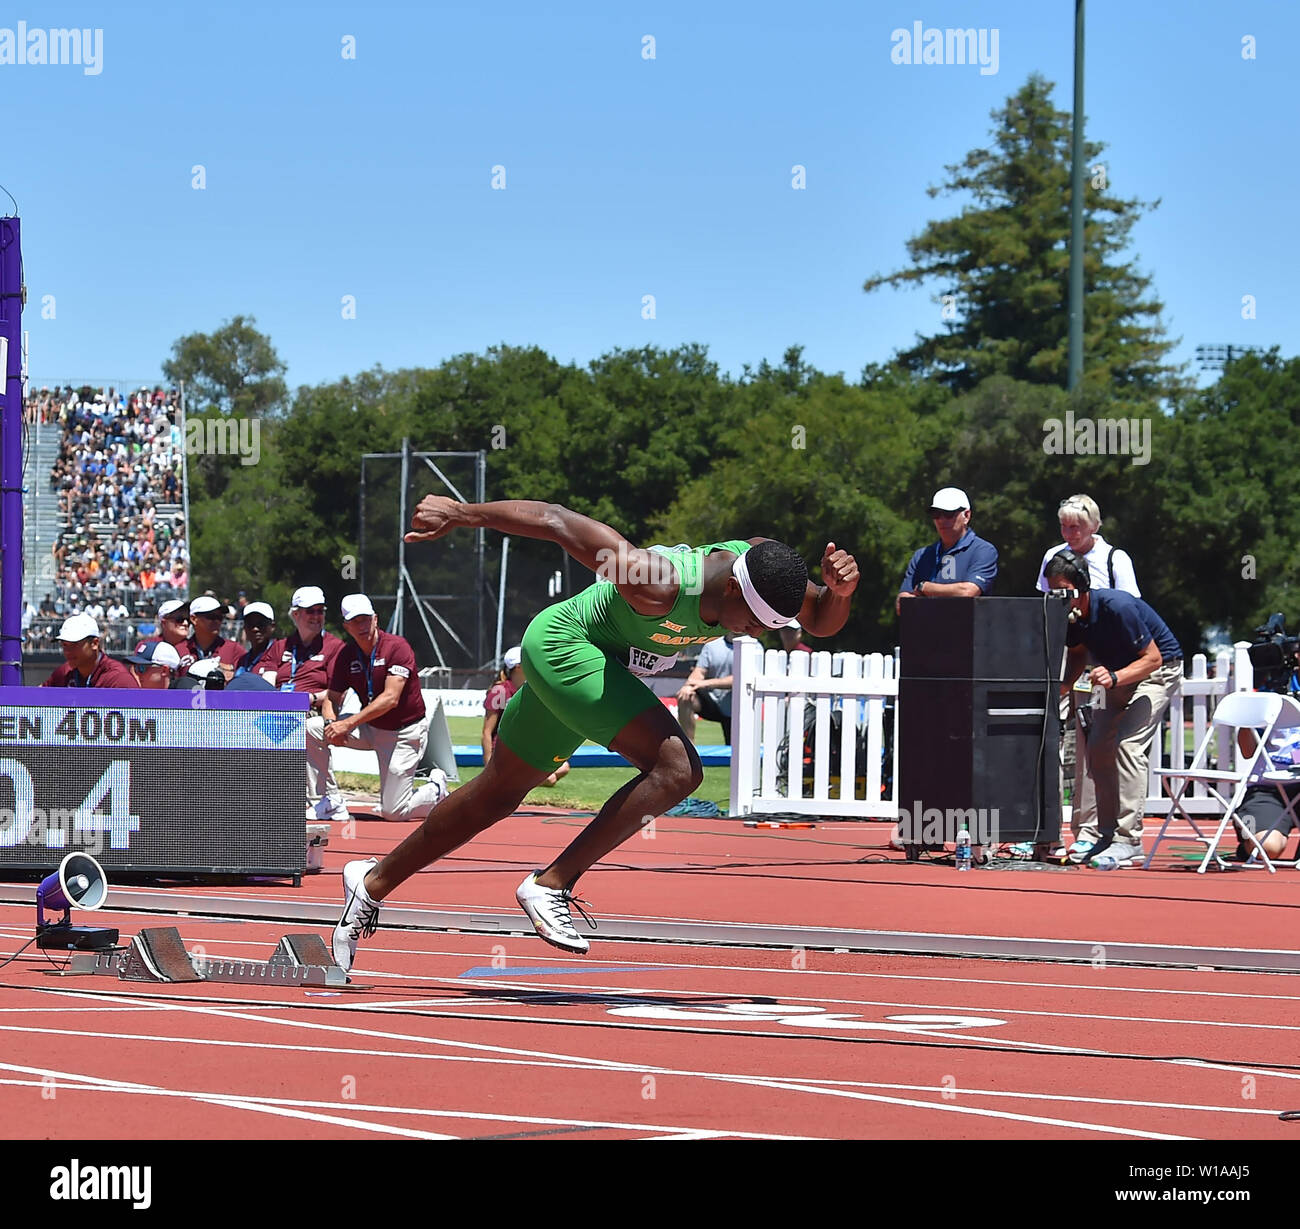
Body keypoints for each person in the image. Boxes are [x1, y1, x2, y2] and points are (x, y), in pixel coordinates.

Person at [332, 495, 859, 972]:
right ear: (728, 587)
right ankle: (550, 885)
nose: (753, 634)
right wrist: (463, 513)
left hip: (599, 665)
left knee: (498, 792)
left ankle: (370, 883)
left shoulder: (767, 568)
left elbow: (821, 621)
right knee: (679, 770)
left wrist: (839, 593)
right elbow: (558, 522)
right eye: (750, 622)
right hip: (565, 645)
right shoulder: (656, 580)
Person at [1045, 553, 1182, 866]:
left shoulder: (1116, 606)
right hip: (1116, 678)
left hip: (1156, 672)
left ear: (1081, 589)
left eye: (1063, 591)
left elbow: (1153, 658)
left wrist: (1116, 676)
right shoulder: (1073, 618)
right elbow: (1078, 655)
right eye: (1052, 592)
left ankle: (1128, 839)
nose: (1057, 598)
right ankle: (1106, 836)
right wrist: (1062, 688)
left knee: (1128, 747)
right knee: (1098, 748)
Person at [310, 592, 449, 823]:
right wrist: (329, 725)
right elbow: (332, 698)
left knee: (393, 813)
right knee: (311, 728)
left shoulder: (397, 647)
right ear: (346, 626)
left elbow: (390, 698)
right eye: (355, 621)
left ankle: (435, 789)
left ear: (375, 619)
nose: (361, 625)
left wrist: (347, 723)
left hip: (403, 734)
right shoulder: (346, 655)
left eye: (365, 618)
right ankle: (328, 799)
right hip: (369, 728)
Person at [261, 586, 345, 812]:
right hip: (278, 712)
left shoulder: (335, 647)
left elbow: (339, 690)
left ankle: (322, 800)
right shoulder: (280, 647)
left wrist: (309, 698)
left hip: (314, 711)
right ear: (296, 614)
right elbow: (267, 684)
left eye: (320, 611)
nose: (317, 617)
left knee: (305, 727)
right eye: (311, 611)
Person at [896, 487, 998, 615]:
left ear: (966, 516)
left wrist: (924, 587)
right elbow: (902, 604)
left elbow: (968, 592)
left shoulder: (983, 551)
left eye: (949, 514)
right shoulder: (921, 555)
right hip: (927, 632)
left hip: (968, 632)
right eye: (936, 514)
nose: (942, 520)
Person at [483, 646, 570, 786]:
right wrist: (488, 769)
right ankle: (514, 778)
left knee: (564, 767)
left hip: (525, 750)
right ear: (518, 667)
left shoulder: (530, 689)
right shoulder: (500, 691)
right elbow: (487, 732)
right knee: (549, 778)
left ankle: (520, 778)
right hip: (505, 753)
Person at [1036, 494, 1140, 595]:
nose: (1067, 534)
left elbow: (1129, 605)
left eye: (1074, 527)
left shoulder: (1116, 559)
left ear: (1094, 526)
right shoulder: (1052, 555)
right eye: (1063, 525)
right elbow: (1046, 600)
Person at [41, 615, 139, 688]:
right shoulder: (63, 673)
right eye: (64, 645)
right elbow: (34, 698)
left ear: (95, 643)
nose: (67, 652)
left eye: (74, 644)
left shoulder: (118, 679)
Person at [676, 633, 735, 744]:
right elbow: (699, 672)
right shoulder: (712, 645)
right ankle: (689, 748)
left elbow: (741, 678)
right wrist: (688, 687)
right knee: (685, 696)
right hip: (712, 703)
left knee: (736, 754)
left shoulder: (754, 646)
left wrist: (706, 683)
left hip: (738, 708)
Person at [185, 595, 246, 680]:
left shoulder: (234, 650)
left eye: (220, 617)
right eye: (211, 617)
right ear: (194, 619)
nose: (217, 621)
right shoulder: (180, 650)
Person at [135, 599, 196, 672]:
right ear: (164, 622)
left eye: (188, 619)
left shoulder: (195, 647)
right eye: (179, 619)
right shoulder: (147, 646)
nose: (185, 623)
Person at [235, 602, 278, 676]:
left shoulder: (279, 655)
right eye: (250, 624)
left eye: (261, 624)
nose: (255, 629)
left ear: (272, 626)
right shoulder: (242, 661)